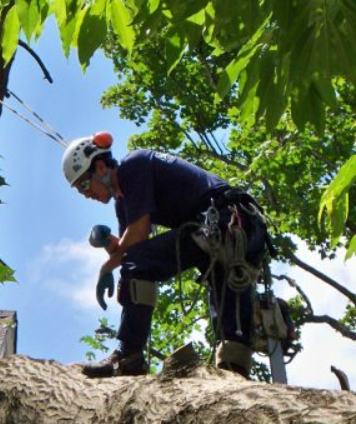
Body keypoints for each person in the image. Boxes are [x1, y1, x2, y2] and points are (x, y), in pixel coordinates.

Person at [63, 132, 268, 378]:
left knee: (140, 263)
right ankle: (233, 373)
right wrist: (108, 243)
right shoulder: (123, 202)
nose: (86, 194)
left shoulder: (133, 165)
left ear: (100, 166)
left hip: (226, 221)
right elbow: (131, 247)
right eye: (80, 192)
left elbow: (137, 239)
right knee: (225, 305)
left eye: (85, 185)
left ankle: (129, 357)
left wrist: (107, 268)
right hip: (223, 228)